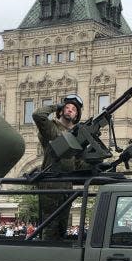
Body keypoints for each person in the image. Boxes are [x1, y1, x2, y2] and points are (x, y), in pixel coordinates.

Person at [33, 94, 83, 240]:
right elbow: (37, 114)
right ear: (61, 111)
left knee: (62, 228)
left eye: (74, 109)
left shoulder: (76, 136)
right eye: (67, 107)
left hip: (66, 185)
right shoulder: (52, 128)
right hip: (50, 183)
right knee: (49, 226)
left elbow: (77, 164)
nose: (70, 110)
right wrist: (57, 106)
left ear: (76, 116)